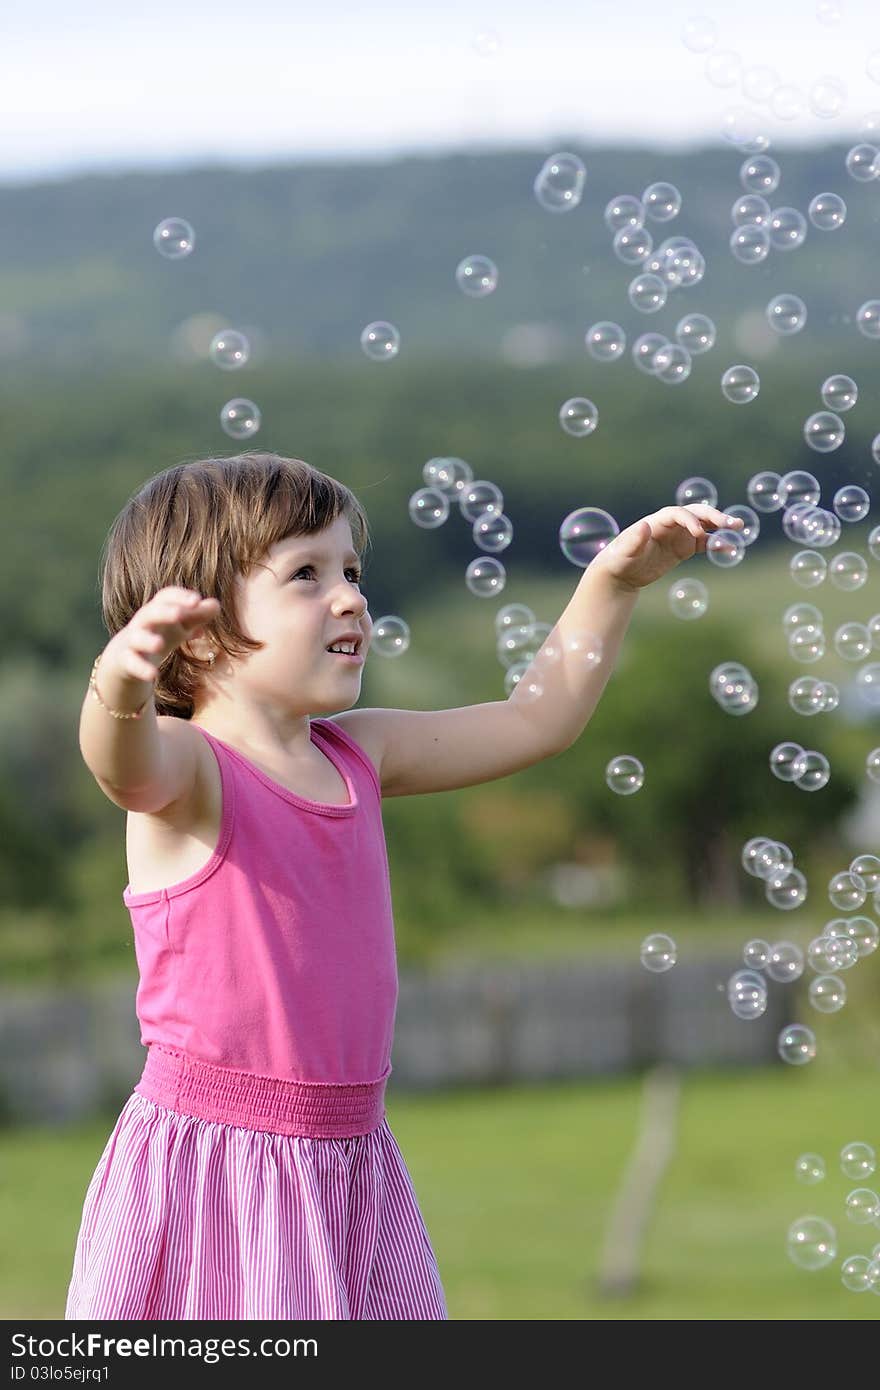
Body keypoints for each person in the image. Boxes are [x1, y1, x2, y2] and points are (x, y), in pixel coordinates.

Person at [66, 450, 739, 1320]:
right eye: (304, 574)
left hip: (352, 1162)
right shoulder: (189, 772)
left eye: (352, 570)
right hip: (224, 1170)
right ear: (198, 633)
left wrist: (613, 582)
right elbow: (118, 763)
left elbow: (535, 719)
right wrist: (119, 682)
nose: (348, 597)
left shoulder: (361, 752)